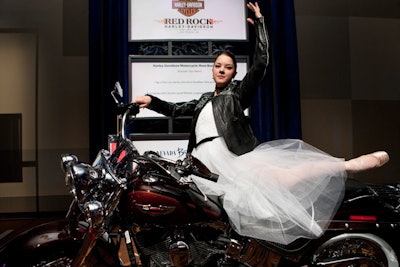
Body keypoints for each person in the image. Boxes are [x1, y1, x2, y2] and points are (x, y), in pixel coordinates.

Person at [133, 2, 389, 245]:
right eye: (218, 66)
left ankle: (345, 165)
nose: (222, 70)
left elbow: (260, 65)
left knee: (283, 178)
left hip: (229, 155)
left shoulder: (236, 94)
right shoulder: (202, 100)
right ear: (212, 70)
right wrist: (151, 100)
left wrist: (260, 25)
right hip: (200, 162)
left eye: (228, 67)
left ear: (234, 72)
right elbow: (175, 110)